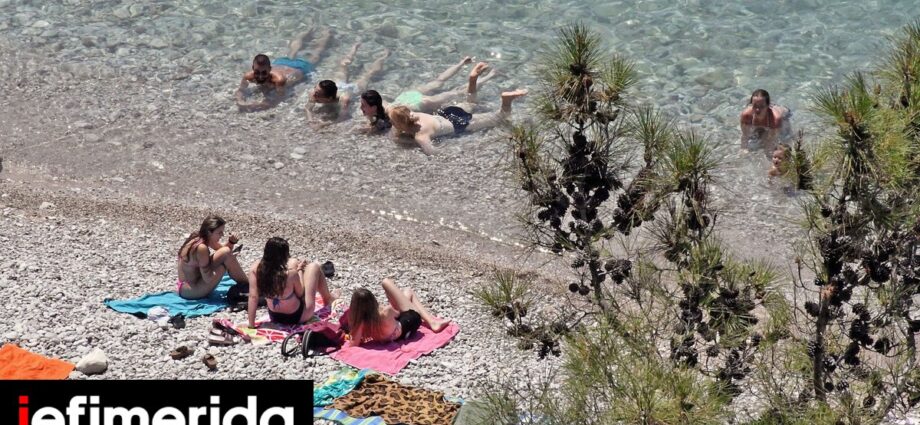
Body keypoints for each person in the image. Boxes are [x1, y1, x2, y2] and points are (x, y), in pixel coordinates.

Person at [359, 61, 493, 132]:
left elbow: (387, 126)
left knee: (457, 92)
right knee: (438, 81)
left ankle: (489, 76)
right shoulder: (379, 105)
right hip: (406, 97)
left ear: (374, 107)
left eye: (363, 106)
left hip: (420, 102)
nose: (361, 108)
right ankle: (462, 62)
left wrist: (370, 126)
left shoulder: (388, 115)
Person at [388, 89, 528, 155]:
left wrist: (410, 143)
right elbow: (402, 122)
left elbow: (433, 152)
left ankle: (506, 101)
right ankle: (472, 81)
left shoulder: (421, 135)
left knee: (500, 118)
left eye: (392, 122)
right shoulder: (414, 114)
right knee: (470, 104)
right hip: (447, 112)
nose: (391, 124)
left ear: (400, 124)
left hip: (457, 122)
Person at [235, 28, 332, 112]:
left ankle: (327, 33)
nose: (260, 76)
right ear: (253, 69)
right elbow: (240, 90)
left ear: (269, 69)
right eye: (257, 72)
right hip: (280, 63)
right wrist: (240, 101)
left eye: (264, 73)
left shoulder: (279, 80)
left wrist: (257, 105)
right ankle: (309, 29)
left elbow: (278, 99)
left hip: (300, 67)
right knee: (293, 50)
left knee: (316, 53)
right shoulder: (248, 76)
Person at [246, 237, 336, 327]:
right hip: (297, 316)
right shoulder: (290, 274)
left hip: (274, 316)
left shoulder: (256, 269)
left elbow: (253, 297)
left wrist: (251, 325)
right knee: (314, 267)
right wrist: (299, 271)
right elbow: (301, 294)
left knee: (296, 266)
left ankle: (328, 297)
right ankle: (328, 299)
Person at [305, 42, 390, 127]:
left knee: (369, 74)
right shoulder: (315, 93)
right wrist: (310, 121)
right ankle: (354, 47)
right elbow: (308, 108)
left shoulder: (344, 99)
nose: (313, 95)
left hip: (352, 89)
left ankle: (384, 56)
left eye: (317, 94)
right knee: (343, 64)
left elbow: (342, 118)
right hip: (338, 84)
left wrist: (324, 124)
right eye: (315, 90)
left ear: (329, 98)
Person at [345, 278, 450, 347]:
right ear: (373, 301)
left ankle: (432, 322)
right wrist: (383, 307)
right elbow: (398, 313)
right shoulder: (386, 312)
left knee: (404, 296)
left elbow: (353, 344)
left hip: (395, 335)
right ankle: (432, 322)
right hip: (411, 321)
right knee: (404, 290)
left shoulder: (360, 323)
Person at [176, 215, 249, 300]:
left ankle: (247, 285)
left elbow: (223, 250)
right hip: (191, 291)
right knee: (225, 261)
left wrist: (231, 242)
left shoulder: (198, 237)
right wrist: (222, 267)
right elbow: (207, 278)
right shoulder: (201, 248)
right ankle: (249, 286)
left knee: (227, 255)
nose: (222, 235)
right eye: (219, 232)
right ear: (209, 232)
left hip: (184, 286)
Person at [740, 89, 793, 155]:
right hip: (767, 118)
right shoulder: (746, 115)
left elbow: (771, 140)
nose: (757, 110)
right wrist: (744, 151)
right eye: (755, 105)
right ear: (751, 105)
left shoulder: (775, 119)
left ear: (768, 106)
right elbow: (745, 135)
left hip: (785, 116)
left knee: (786, 138)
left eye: (761, 106)